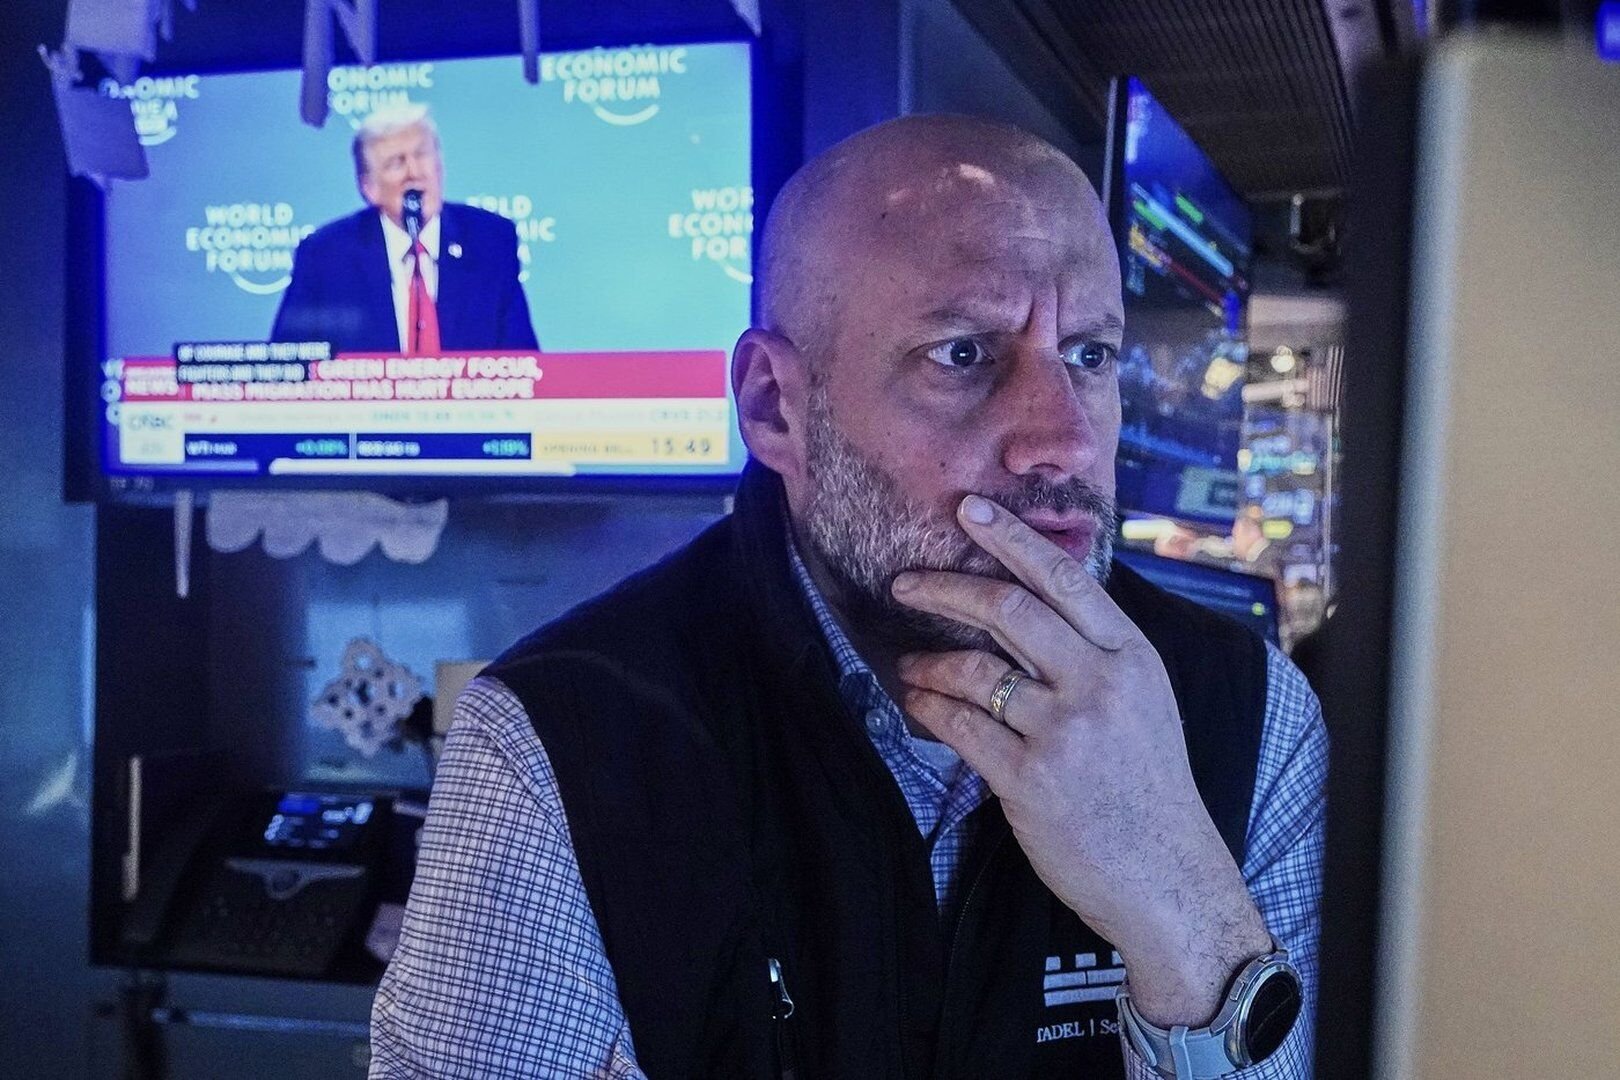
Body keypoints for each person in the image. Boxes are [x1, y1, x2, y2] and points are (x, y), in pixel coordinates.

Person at [370, 115, 1325, 1079]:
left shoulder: (1251, 715)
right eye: (963, 354)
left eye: (1089, 356)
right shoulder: (562, 745)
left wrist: (1180, 901)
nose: (1066, 441)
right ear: (773, 407)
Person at [271, 104, 538, 354]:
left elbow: (524, 363)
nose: (414, 172)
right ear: (369, 188)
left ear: (440, 166)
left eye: (421, 155)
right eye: (396, 163)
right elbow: (290, 364)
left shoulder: (490, 241)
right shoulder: (327, 255)